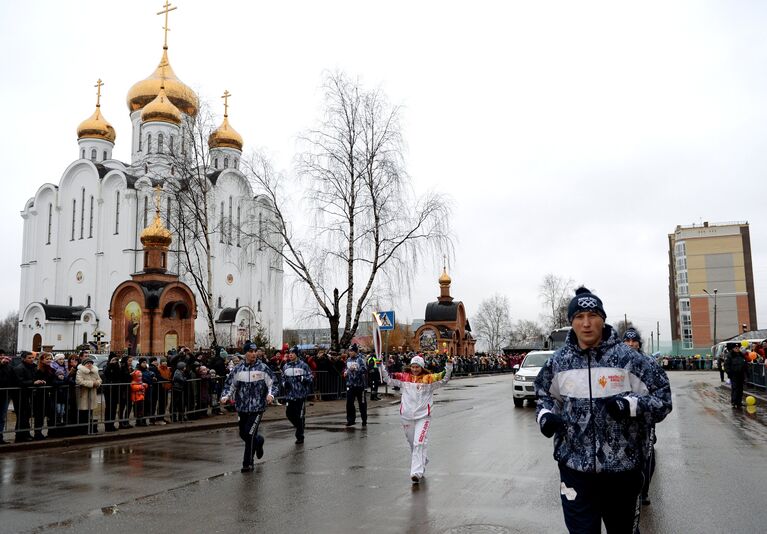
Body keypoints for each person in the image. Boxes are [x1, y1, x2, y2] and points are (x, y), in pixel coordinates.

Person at [535, 287, 672, 534]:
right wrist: (545, 416)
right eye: (579, 317)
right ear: (571, 322)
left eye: (593, 315)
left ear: (603, 319)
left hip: (622, 471)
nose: (586, 324)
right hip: (574, 469)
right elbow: (543, 395)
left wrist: (631, 406)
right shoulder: (558, 361)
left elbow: (663, 399)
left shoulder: (630, 359)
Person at [381, 354, 454, 483]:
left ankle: (416, 472)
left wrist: (448, 366)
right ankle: (422, 460)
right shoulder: (404, 378)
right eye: (413, 366)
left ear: (422, 367)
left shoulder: (429, 379)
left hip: (423, 416)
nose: (415, 369)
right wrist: (380, 365)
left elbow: (444, 379)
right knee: (412, 443)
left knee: (418, 443)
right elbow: (387, 379)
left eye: (417, 367)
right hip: (407, 416)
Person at [221, 342, 278, 472]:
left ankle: (248, 463)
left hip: (257, 407)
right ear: (245, 353)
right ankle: (259, 442)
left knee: (250, 433)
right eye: (250, 352)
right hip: (242, 407)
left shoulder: (263, 368)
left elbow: (273, 383)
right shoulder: (238, 369)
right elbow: (230, 385)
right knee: (243, 433)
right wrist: (225, 396)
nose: (253, 354)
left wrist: (271, 395)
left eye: (255, 351)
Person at [623, 328, 655, 507]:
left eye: (633, 341)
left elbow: (658, 393)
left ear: (638, 343)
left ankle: (644, 491)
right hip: (623, 420)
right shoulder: (617, 363)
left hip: (643, 418)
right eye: (626, 341)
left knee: (646, 456)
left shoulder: (648, 362)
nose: (630, 344)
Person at [281, 348, 314, 444]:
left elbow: (310, 378)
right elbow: (282, 378)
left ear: (297, 354)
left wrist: (303, 378)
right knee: (289, 414)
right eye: (289, 353)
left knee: (300, 416)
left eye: (292, 353)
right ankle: (300, 426)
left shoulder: (303, 365)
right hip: (290, 395)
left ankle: (300, 436)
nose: (290, 355)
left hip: (300, 395)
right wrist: (284, 384)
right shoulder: (286, 366)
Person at [76, 356, 102, 435]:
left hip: (92, 394)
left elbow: (99, 379)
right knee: (83, 413)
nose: (89, 365)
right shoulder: (80, 371)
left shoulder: (95, 371)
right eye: (87, 363)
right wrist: (91, 383)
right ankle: (83, 430)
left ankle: (91, 429)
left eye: (91, 363)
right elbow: (79, 381)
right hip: (83, 394)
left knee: (91, 413)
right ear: (84, 364)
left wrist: (97, 383)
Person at [344, 345, 368, 426]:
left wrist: (356, 369)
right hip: (350, 384)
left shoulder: (360, 359)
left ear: (355, 351)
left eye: (352, 351)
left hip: (360, 385)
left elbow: (364, 369)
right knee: (349, 403)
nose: (350, 353)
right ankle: (350, 420)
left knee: (362, 403)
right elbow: (345, 369)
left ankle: (364, 419)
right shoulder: (348, 360)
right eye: (349, 351)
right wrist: (345, 372)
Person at [725, 342, 747, 408]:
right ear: (733, 348)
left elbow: (745, 364)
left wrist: (746, 373)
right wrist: (729, 373)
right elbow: (726, 365)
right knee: (735, 388)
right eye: (736, 348)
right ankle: (734, 402)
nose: (737, 349)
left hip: (741, 375)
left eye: (738, 348)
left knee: (740, 389)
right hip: (734, 375)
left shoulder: (741, 355)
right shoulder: (730, 355)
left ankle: (739, 402)